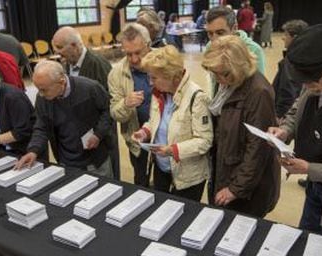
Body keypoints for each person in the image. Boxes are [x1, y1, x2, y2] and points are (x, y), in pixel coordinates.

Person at [268, 24, 322, 241]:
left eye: (312, 82)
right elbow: (300, 106)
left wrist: (310, 168)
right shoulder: (318, 82)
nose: (308, 87)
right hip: (315, 190)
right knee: (306, 245)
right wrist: (285, 130)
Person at [202, 35, 280, 217]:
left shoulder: (258, 92)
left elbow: (258, 149)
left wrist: (235, 189)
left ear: (241, 64)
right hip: (227, 170)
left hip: (247, 189)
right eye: (215, 73)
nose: (219, 79)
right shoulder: (231, 83)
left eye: (225, 73)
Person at [132, 45, 213, 201]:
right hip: (161, 169)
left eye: (154, 77)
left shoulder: (197, 98)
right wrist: (144, 132)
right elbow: (154, 121)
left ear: (170, 76)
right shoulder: (159, 93)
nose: (150, 82)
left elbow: (204, 141)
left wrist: (173, 150)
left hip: (187, 177)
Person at [15, 60, 113, 178]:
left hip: (95, 161)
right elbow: (41, 126)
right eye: (38, 89)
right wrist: (33, 150)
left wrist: (98, 134)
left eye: (44, 90)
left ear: (61, 82)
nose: (40, 94)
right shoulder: (43, 98)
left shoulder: (90, 88)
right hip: (66, 161)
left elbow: (108, 111)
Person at [52, 26, 120, 179]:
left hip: (99, 140)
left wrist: (99, 133)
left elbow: (110, 105)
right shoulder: (66, 64)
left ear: (75, 46)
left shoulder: (99, 65)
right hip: (78, 143)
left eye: (60, 47)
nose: (57, 52)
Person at [108, 23, 152, 186]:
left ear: (148, 45)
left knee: (166, 180)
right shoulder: (116, 73)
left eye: (138, 53)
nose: (134, 59)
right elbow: (115, 113)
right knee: (141, 180)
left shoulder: (164, 62)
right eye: (128, 54)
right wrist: (125, 103)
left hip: (167, 136)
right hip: (137, 138)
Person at [205, 5, 265, 87]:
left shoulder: (253, 50)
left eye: (220, 33)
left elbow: (258, 88)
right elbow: (213, 83)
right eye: (210, 33)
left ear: (234, 28)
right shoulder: (209, 46)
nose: (215, 40)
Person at [273, 19, 308, 121]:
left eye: (286, 35)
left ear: (295, 38)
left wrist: (280, 115)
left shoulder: (291, 60)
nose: (283, 38)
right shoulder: (307, 56)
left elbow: (287, 91)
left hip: (285, 114)